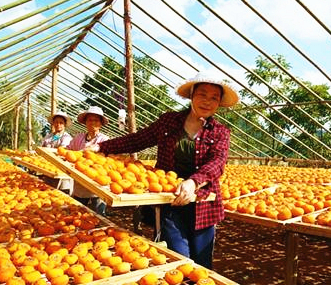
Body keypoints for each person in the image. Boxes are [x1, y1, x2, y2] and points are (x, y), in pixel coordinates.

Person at [91, 72, 239, 268]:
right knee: (178, 260)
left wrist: (193, 182)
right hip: (171, 202)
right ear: (192, 95)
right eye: (202, 94)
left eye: (214, 98)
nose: (207, 101)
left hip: (204, 204)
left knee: (202, 264)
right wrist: (102, 147)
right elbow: (138, 140)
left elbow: (217, 162)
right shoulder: (169, 122)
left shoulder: (220, 132)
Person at [68, 106, 110, 215]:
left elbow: (108, 162)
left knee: (98, 216)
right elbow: (68, 152)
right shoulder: (78, 138)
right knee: (78, 214)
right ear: (85, 122)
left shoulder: (104, 140)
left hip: (98, 183)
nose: (92, 122)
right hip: (80, 183)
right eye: (90, 120)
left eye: (96, 120)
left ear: (101, 123)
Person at [40, 111, 73, 193]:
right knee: (49, 191)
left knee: (61, 193)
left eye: (61, 122)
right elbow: (41, 147)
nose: (58, 124)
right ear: (53, 123)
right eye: (56, 122)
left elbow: (62, 151)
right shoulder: (49, 136)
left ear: (65, 124)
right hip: (49, 169)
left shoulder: (66, 137)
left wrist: (47, 151)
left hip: (61, 171)